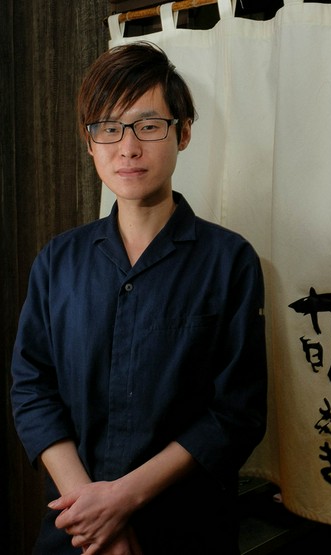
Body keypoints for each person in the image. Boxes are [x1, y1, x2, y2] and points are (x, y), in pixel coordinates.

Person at [11, 42, 267, 555]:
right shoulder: (58, 261)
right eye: (108, 128)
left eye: (148, 126)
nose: (127, 148)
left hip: (185, 533)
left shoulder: (229, 261)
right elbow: (32, 389)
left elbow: (235, 414)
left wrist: (122, 500)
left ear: (183, 132)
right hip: (74, 532)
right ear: (90, 142)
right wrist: (93, 511)